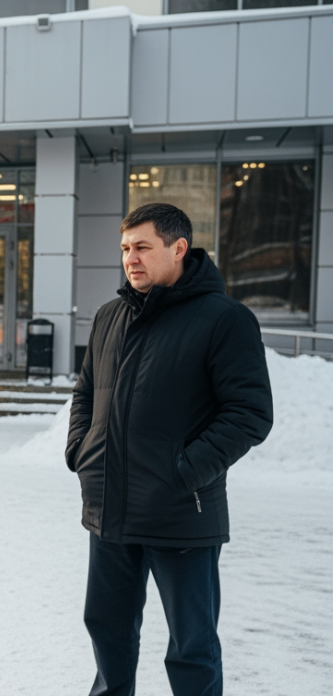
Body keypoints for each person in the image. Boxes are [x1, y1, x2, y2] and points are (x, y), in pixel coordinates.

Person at [67, 203, 273, 696]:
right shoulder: (109, 316)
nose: (130, 259)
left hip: (181, 512)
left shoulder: (225, 320)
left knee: (191, 646)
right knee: (108, 631)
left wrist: (184, 472)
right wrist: (81, 451)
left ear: (179, 248)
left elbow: (249, 414)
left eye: (142, 247)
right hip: (110, 510)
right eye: (124, 248)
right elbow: (85, 392)